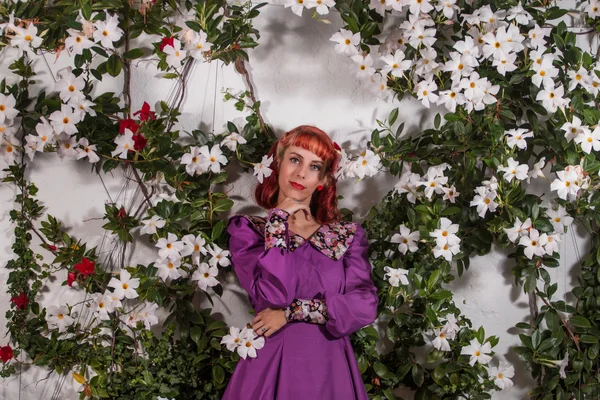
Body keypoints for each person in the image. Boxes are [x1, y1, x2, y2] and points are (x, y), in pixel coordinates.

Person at [223, 125, 379, 400]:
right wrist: (276, 225)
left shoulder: (348, 237)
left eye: (315, 166)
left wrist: (291, 313)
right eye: (295, 159)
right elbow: (274, 295)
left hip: (331, 369)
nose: (301, 173)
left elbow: (364, 306)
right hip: (271, 365)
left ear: (323, 179)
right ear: (278, 163)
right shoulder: (248, 231)